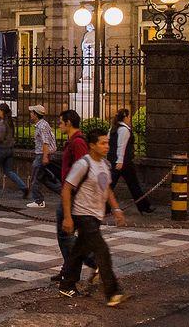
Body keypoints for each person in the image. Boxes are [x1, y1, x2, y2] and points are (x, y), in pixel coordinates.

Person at [58, 128, 128, 306]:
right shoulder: (83, 164)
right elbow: (66, 189)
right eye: (103, 143)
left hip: (96, 215)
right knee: (102, 251)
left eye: (108, 143)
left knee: (78, 251)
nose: (107, 147)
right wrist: (67, 217)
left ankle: (66, 284)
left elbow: (107, 189)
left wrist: (116, 209)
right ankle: (112, 292)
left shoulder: (104, 164)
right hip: (83, 214)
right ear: (92, 145)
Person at [52, 109, 97, 283]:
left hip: (73, 195)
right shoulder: (72, 141)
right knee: (67, 235)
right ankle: (68, 269)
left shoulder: (77, 142)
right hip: (70, 193)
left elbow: (83, 168)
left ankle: (91, 262)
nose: (59, 124)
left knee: (66, 235)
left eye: (61, 121)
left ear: (68, 122)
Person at [109, 108, 154, 214]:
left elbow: (109, 143)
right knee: (132, 185)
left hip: (116, 161)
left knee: (128, 184)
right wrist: (120, 161)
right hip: (124, 162)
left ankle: (144, 206)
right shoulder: (124, 130)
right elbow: (121, 146)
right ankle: (144, 206)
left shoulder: (113, 128)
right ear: (125, 117)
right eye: (129, 117)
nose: (130, 119)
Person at [0, 103, 27, 199]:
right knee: (9, 171)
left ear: (2, 111)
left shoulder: (2, 123)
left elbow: (0, 138)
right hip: (10, 149)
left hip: (1, 149)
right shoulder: (10, 122)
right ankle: (23, 187)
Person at [26, 104, 59, 209]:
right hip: (42, 154)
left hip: (41, 155)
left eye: (32, 112)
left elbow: (46, 142)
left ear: (36, 114)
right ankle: (65, 193)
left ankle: (39, 201)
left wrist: (45, 156)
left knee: (35, 177)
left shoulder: (42, 126)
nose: (30, 114)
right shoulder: (42, 124)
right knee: (45, 179)